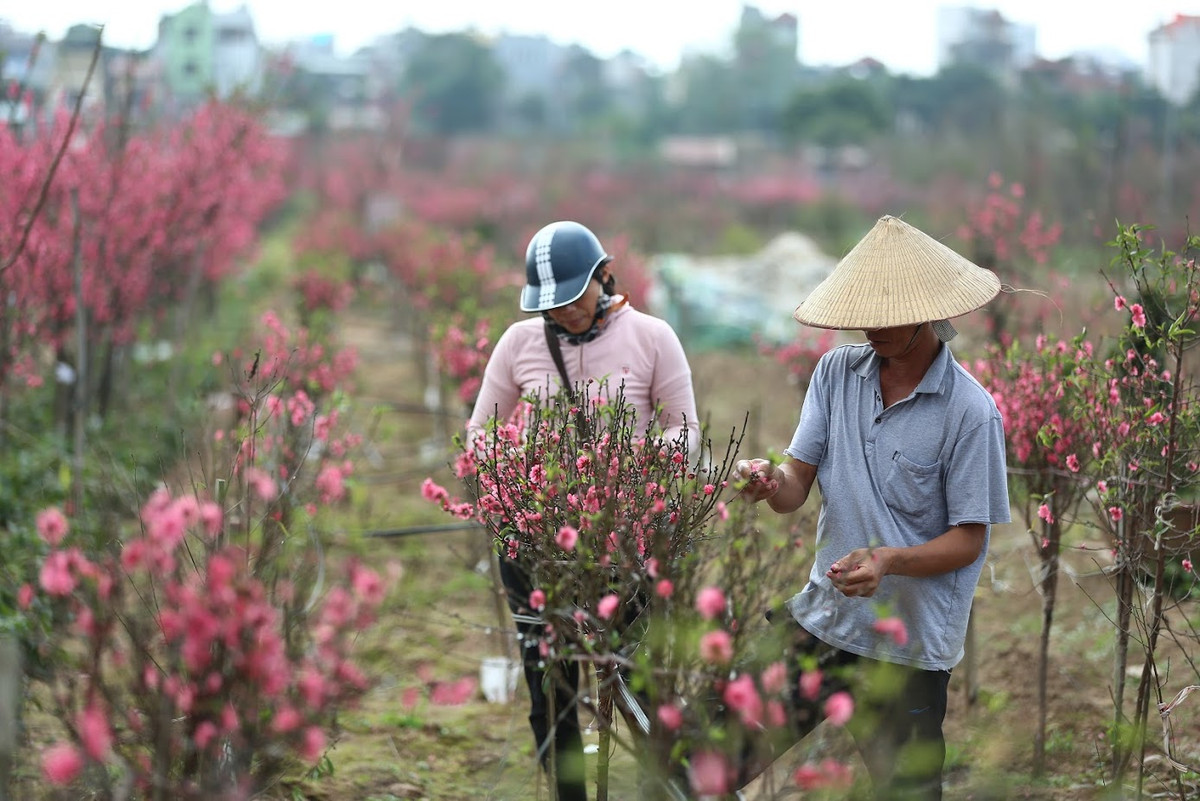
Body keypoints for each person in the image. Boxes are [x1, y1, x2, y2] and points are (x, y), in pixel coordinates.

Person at [733, 215, 1011, 800]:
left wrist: (888, 560)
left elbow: (969, 540)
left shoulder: (969, 412)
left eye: (888, 316)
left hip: (907, 650)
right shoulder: (836, 373)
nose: (870, 328)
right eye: (865, 314)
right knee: (718, 757)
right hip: (824, 620)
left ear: (932, 312)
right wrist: (767, 481)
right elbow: (795, 487)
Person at [467, 220, 699, 801]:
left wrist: (627, 468)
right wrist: (523, 465)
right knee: (549, 684)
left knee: (640, 681)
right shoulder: (518, 344)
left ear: (603, 276)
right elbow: (479, 436)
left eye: (572, 298)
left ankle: (656, 787)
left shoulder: (652, 337)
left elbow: (686, 433)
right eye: (551, 304)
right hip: (535, 543)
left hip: (630, 541)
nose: (564, 313)